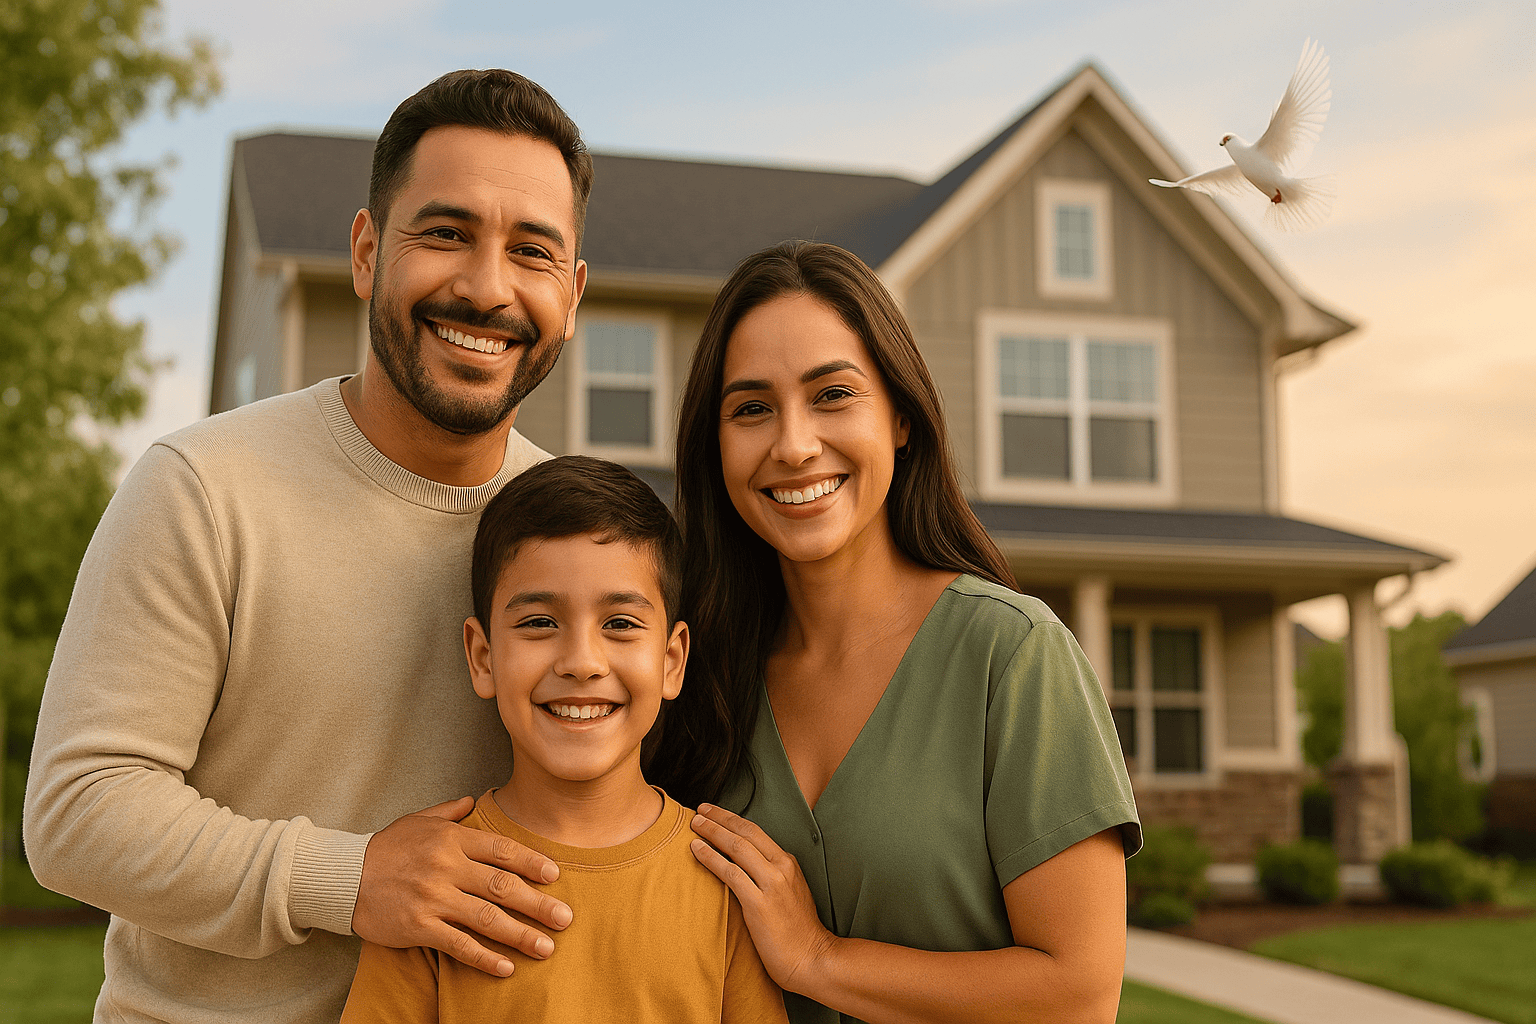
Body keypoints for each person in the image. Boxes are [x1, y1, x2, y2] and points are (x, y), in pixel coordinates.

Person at [24, 70, 593, 1023]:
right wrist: (350, 875)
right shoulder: (204, 487)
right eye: (445, 233)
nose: (485, 287)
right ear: (367, 253)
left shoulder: (573, 538)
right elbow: (78, 811)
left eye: (531, 252)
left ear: (571, 295)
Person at [652, 240, 1143, 1024]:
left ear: (902, 418)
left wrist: (817, 958)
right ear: (715, 447)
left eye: (833, 395)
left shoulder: (1012, 657)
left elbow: (1078, 996)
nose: (793, 444)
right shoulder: (695, 672)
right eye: (751, 408)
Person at [341, 456, 788, 1023]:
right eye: (538, 623)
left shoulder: (723, 886)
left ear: (672, 661)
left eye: (621, 624)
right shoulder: (433, 886)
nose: (581, 662)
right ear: (483, 658)